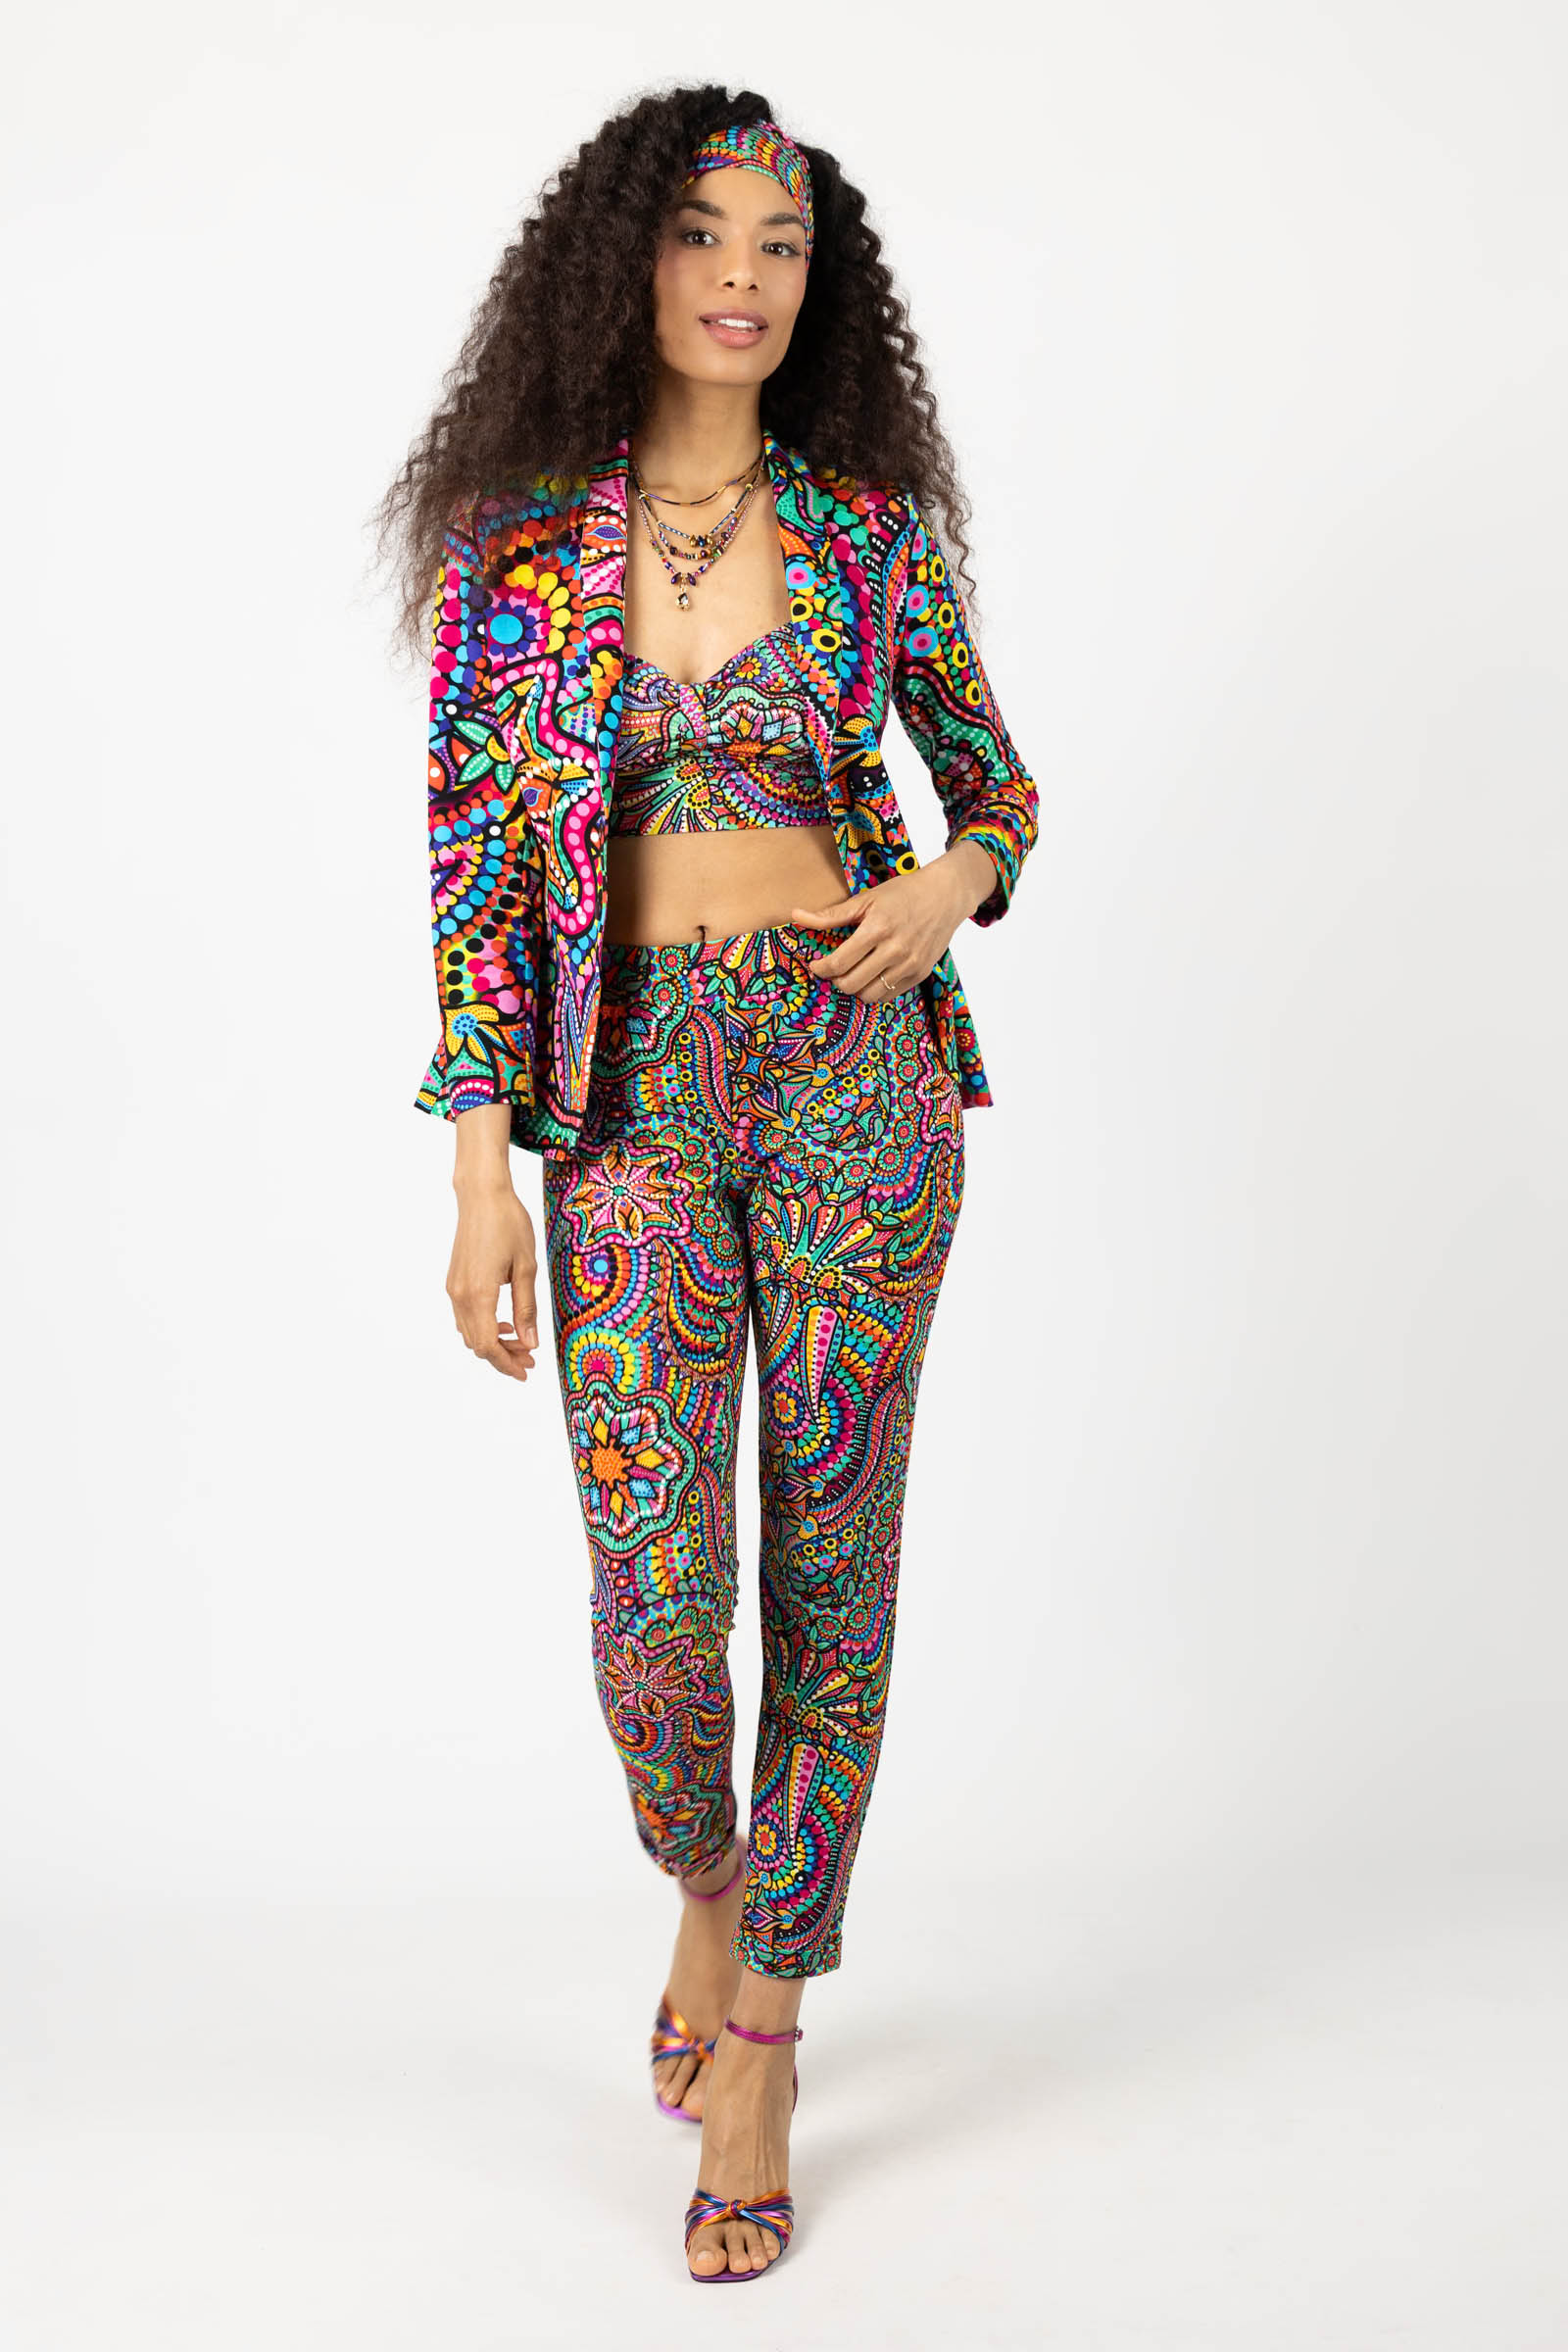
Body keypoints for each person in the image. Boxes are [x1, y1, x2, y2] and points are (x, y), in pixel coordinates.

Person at [375, 85, 1038, 2284]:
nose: (744, 275)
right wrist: (480, 1177)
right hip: (628, 1099)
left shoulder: (866, 534)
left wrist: (946, 883)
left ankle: (763, 2029)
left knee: (833, 1566)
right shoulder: (519, 548)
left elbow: (996, 786)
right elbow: (477, 882)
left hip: (854, 1077)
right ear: (625, 266)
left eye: (782, 241)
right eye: (702, 234)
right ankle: (708, 1878)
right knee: (658, 1610)